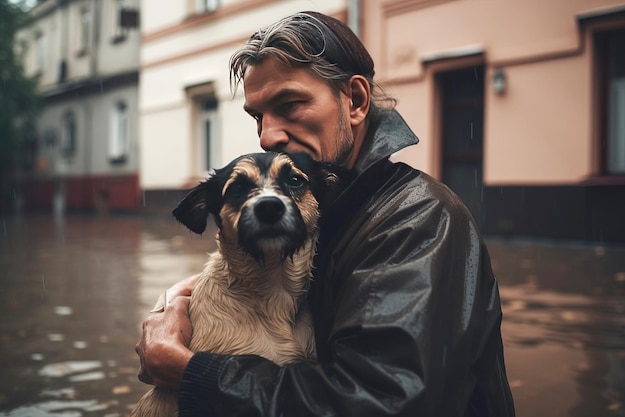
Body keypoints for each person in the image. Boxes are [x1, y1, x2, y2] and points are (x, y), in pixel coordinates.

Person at [135, 11, 516, 417]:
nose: (267, 136)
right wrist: (175, 302)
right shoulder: (336, 209)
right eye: (257, 116)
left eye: (290, 104)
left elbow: (381, 404)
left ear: (355, 101)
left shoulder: (418, 220)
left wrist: (193, 371)